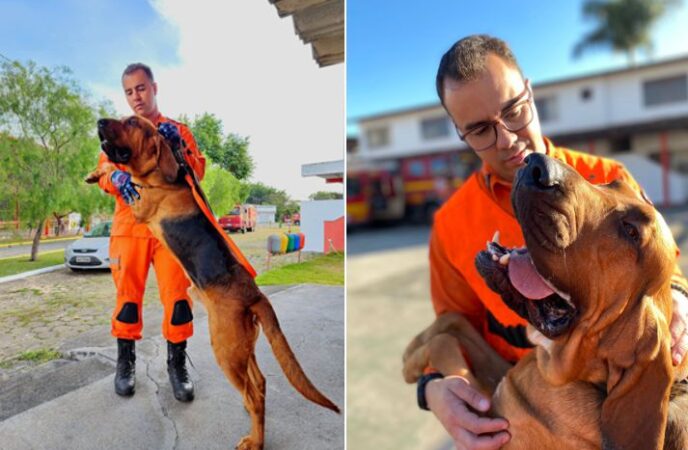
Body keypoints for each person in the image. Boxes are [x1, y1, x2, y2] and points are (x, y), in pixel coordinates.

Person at [419, 35, 688, 449]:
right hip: (510, 414)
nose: (507, 138)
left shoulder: (610, 178)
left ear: (530, 90)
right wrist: (436, 387)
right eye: (479, 130)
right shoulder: (452, 224)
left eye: (513, 110)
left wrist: (679, 296)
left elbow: (663, 265)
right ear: (460, 133)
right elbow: (454, 327)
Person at [94, 63, 206, 401]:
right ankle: (125, 364)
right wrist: (113, 178)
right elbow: (102, 169)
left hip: (170, 229)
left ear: (154, 87)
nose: (135, 97)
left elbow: (197, 170)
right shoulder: (119, 132)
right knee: (127, 300)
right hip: (130, 228)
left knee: (177, 299)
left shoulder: (177, 130)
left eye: (140, 88)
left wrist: (177, 149)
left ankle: (177, 367)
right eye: (129, 91)